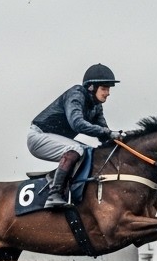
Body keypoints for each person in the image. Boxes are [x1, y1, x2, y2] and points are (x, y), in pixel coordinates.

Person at [28, 63, 123, 208]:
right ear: (91, 87)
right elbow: (77, 123)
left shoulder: (96, 106)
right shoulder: (76, 94)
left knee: (91, 152)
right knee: (77, 149)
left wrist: (123, 137)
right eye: (104, 88)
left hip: (54, 137)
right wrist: (109, 133)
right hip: (38, 136)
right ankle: (54, 195)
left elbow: (104, 133)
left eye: (108, 89)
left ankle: (58, 180)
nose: (108, 93)